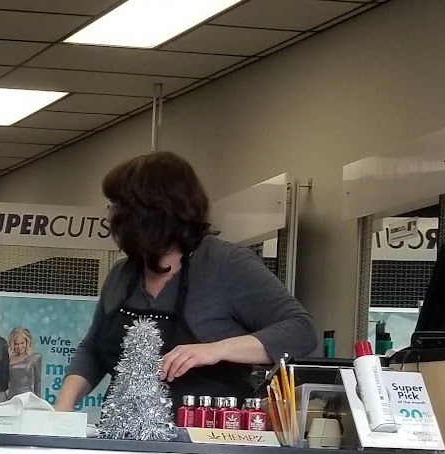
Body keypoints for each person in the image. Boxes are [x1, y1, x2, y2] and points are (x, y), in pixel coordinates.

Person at [55, 151, 317, 412]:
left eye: (116, 205)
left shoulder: (226, 264)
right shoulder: (122, 275)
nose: (109, 217)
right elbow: (93, 350)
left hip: (209, 434)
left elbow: (300, 332)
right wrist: (61, 410)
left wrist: (215, 350)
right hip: (123, 433)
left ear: (147, 213)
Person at [6, 326, 40, 400]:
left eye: (22, 343)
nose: (19, 346)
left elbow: (37, 382)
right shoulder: (8, 358)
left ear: (27, 342)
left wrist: (38, 401)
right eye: (16, 344)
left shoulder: (35, 358)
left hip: (28, 398)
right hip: (12, 398)